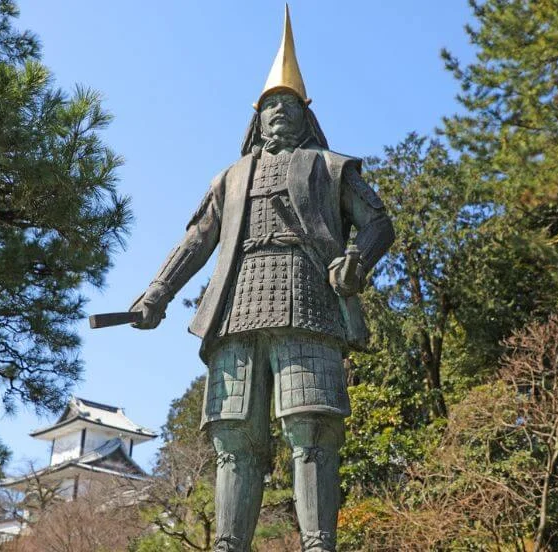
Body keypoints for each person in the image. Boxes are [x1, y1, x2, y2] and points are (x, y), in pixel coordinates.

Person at [130, 7, 394, 551]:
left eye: (289, 105)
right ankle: (229, 544)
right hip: (237, 307)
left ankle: (318, 542)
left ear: (305, 116)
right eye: (271, 105)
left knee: (311, 428)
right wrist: (157, 293)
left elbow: (379, 223)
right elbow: (198, 238)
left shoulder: (332, 166)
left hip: (309, 303)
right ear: (257, 118)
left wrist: (356, 260)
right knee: (233, 437)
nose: (279, 112)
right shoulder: (229, 177)